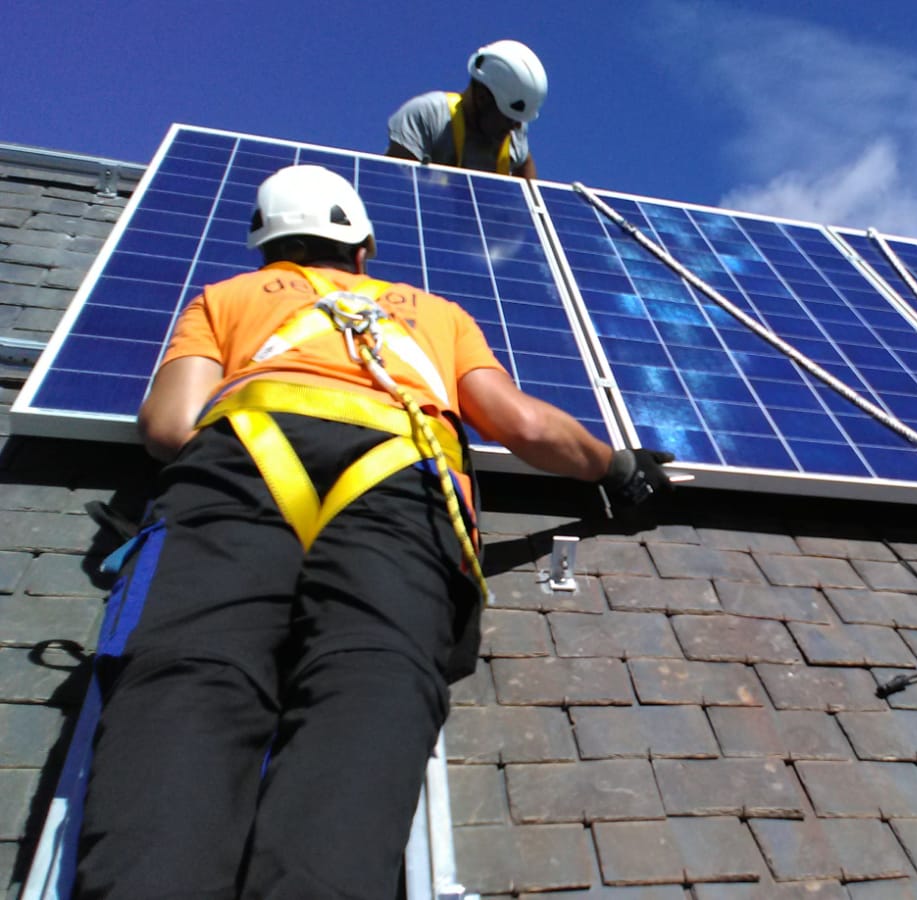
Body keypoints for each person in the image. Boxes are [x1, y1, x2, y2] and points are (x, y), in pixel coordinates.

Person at [75, 164, 673, 898]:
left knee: (187, 679)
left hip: (239, 473)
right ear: (364, 248)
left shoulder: (224, 298)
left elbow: (168, 427)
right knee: (371, 686)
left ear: (268, 251)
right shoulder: (434, 312)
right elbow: (520, 425)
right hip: (397, 487)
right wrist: (615, 467)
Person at [386, 39, 546, 178]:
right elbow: (398, 187)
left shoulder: (514, 132)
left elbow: (525, 165)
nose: (517, 127)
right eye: (509, 117)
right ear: (483, 97)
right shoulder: (427, 115)